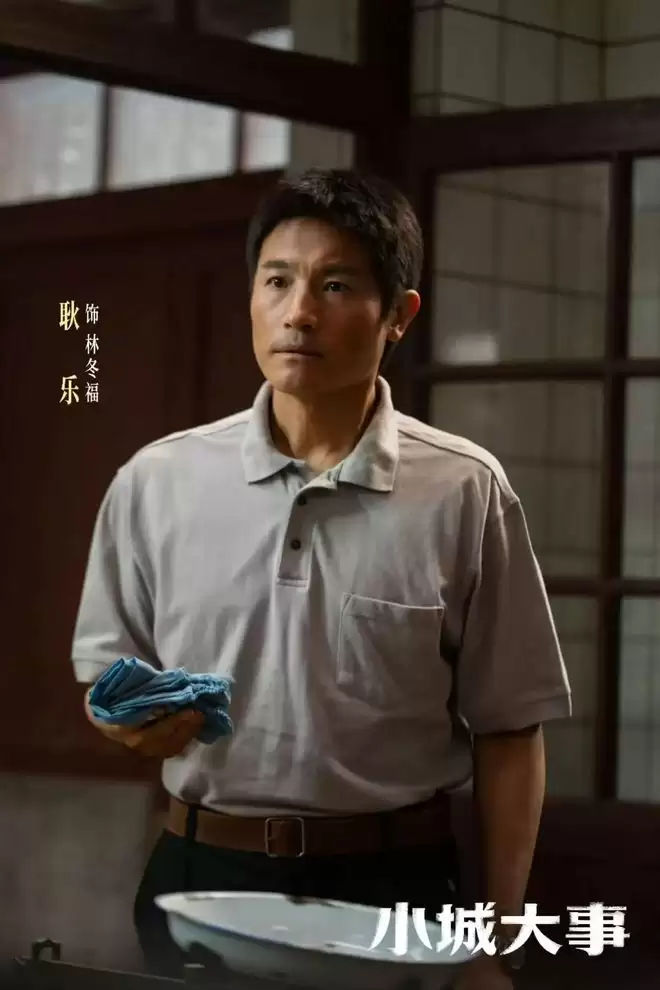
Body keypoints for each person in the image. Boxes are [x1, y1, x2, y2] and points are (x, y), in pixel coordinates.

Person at [71, 168, 571, 990]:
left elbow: (511, 730)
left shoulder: (463, 489)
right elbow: (106, 673)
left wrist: (498, 943)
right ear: (252, 298)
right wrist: (131, 723)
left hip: (392, 881)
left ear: (399, 315)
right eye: (277, 281)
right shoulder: (156, 480)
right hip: (200, 872)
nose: (299, 311)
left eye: (335, 285)